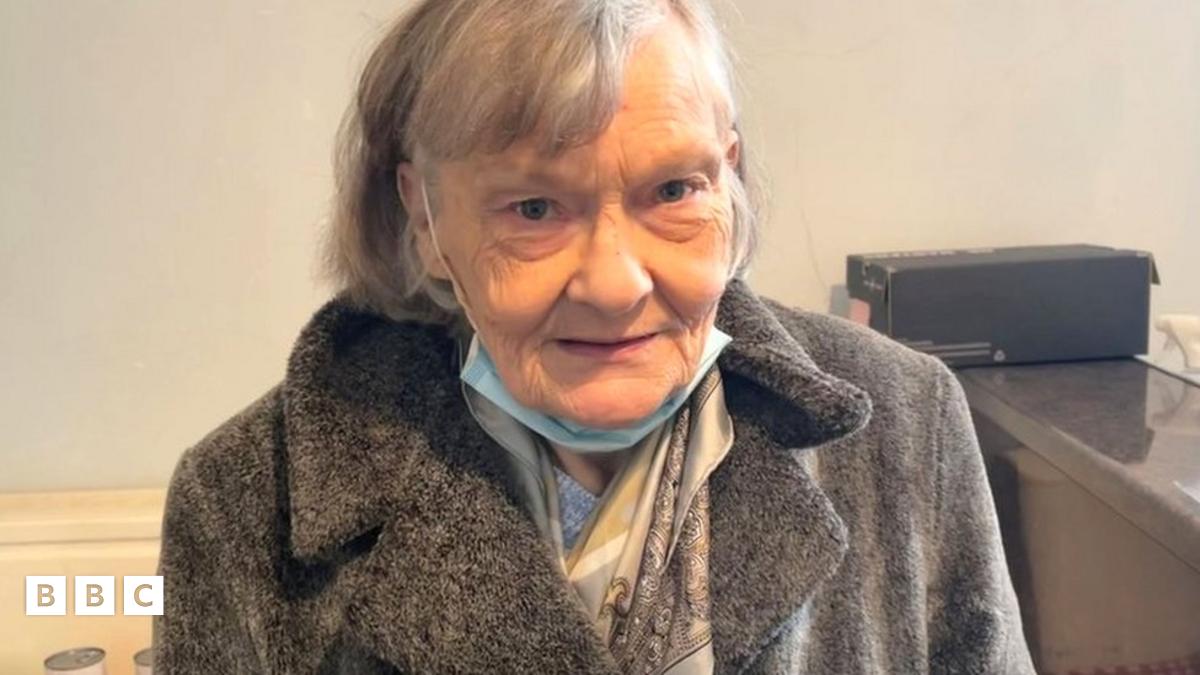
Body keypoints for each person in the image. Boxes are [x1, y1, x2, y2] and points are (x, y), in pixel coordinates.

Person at [152, 0, 1035, 673]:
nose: (616, 285)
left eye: (674, 191)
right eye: (534, 208)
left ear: (727, 177)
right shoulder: (245, 499)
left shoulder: (906, 425)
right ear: (425, 216)